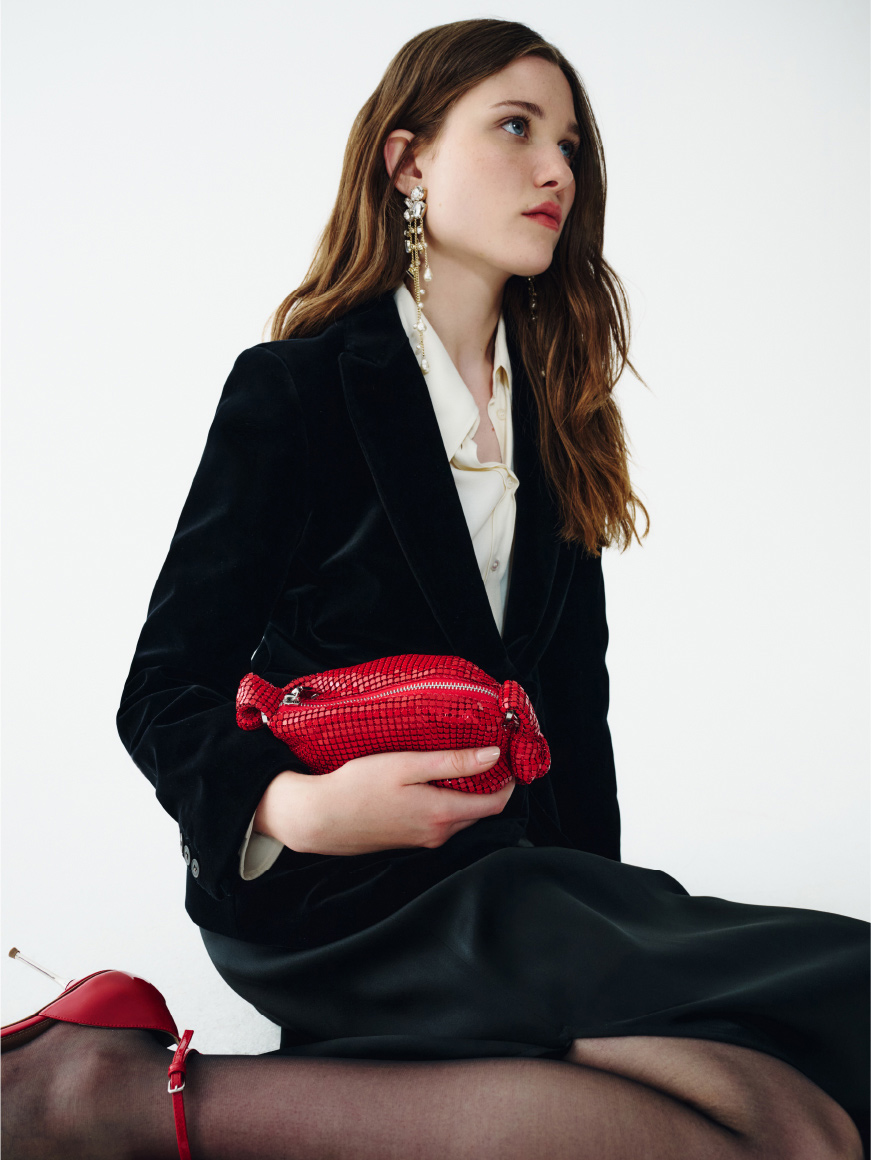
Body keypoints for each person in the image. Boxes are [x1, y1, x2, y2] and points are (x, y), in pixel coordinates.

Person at [2, 18, 868, 1160]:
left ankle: (145, 1090)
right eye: (515, 128)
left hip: (506, 895)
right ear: (408, 161)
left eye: (569, 145)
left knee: (802, 1131)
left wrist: (608, 958)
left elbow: (574, 718)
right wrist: (296, 809)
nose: (557, 170)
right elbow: (161, 690)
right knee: (845, 979)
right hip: (327, 891)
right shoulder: (299, 389)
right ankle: (98, 1094)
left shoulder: (560, 422)